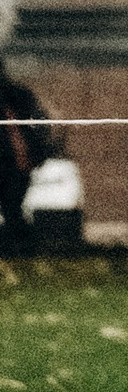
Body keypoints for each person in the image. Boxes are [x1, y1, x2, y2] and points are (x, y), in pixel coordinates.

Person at [0, 53, 56, 252]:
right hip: (16, 162)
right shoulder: (19, 94)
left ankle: (22, 245)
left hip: (14, 163)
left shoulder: (17, 95)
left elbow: (35, 127)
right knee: (12, 209)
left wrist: (33, 154)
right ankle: (22, 244)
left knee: (12, 208)